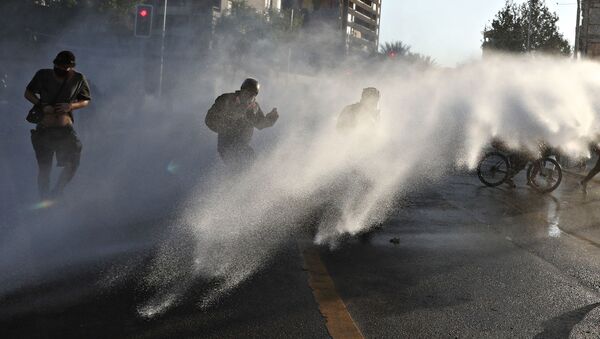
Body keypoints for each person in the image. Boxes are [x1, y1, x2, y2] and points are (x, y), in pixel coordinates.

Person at [24, 51, 91, 199]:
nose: (60, 69)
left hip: (65, 131)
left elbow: (86, 100)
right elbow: (28, 93)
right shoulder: (43, 75)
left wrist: (70, 106)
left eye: (64, 67)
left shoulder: (78, 79)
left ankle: (58, 191)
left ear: (70, 67)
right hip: (44, 131)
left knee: (73, 162)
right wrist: (41, 105)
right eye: (58, 65)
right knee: (44, 169)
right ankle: (44, 198)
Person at [205, 78, 279, 170]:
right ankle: (237, 179)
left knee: (249, 159)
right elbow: (209, 120)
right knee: (245, 159)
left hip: (242, 145)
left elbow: (260, 124)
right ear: (241, 90)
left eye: (252, 95)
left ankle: (243, 181)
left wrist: (270, 119)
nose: (248, 97)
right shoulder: (227, 100)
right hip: (227, 144)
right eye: (246, 93)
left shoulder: (254, 107)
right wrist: (229, 120)